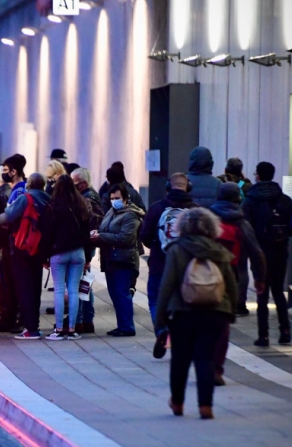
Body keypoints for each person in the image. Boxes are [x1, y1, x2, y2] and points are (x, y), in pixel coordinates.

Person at [155, 208, 237, 420]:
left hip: (182, 312)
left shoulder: (176, 249)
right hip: (215, 312)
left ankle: (178, 402)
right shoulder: (219, 251)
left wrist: (161, 315)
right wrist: (230, 311)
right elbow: (231, 284)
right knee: (206, 358)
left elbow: (167, 284)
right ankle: (205, 406)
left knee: (180, 359)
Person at [209, 183, 266, 385]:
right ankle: (217, 368)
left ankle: (204, 362)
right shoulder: (242, 222)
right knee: (223, 324)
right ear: (238, 198)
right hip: (232, 278)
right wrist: (260, 278)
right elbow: (257, 253)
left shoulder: (209, 218)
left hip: (207, 277)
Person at [243, 161, 292, 347]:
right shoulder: (285, 200)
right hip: (280, 250)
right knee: (278, 291)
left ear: (257, 175)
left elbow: (246, 227)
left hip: (259, 251)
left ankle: (263, 335)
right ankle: (285, 330)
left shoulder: (250, 200)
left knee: (261, 293)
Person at [0, 173, 51, 339]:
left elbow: (8, 216)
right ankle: (35, 325)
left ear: (29, 185)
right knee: (35, 288)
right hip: (40, 249)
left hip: (22, 249)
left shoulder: (26, 198)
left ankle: (30, 329)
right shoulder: (48, 199)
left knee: (24, 289)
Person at [140, 172, 197, 325]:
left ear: (168, 187)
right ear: (188, 187)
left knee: (155, 299)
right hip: (187, 267)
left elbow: (145, 236)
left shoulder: (156, 208)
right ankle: (178, 331)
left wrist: (156, 245)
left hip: (159, 264)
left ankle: (161, 330)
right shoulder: (196, 211)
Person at [41, 175, 91, 340]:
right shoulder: (81, 205)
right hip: (78, 253)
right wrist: (88, 257)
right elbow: (87, 233)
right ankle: (72, 329)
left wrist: (45, 256)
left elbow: (46, 234)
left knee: (59, 290)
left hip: (58, 253)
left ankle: (59, 329)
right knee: (74, 291)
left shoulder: (52, 206)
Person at [91, 183, 144, 336]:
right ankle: (122, 325)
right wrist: (98, 233)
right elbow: (105, 229)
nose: (114, 201)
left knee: (122, 293)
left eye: (117, 198)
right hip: (111, 259)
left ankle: (127, 326)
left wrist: (101, 236)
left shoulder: (130, 215)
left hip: (124, 259)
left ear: (126, 198)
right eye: (112, 198)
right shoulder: (111, 212)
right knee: (115, 293)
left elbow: (125, 238)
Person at [71, 167, 104, 334]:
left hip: (85, 247)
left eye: (74, 183)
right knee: (85, 283)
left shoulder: (86, 200)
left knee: (81, 284)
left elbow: (87, 226)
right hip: (88, 246)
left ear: (83, 184)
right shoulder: (91, 196)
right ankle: (86, 320)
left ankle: (82, 320)